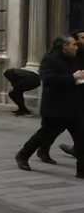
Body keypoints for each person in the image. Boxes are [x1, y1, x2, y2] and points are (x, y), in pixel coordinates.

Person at [15, 36, 84, 177]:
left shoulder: (76, 59)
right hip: (56, 108)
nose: (76, 47)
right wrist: (73, 77)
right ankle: (22, 155)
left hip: (74, 107)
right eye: (73, 44)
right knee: (44, 135)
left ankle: (81, 171)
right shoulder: (51, 59)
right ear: (64, 46)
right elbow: (48, 80)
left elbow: (78, 79)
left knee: (81, 139)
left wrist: (80, 78)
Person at [52, 28, 84, 159]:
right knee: (52, 129)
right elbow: (53, 78)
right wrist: (75, 78)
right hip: (69, 99)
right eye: (82, 38)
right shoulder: (70, 57)